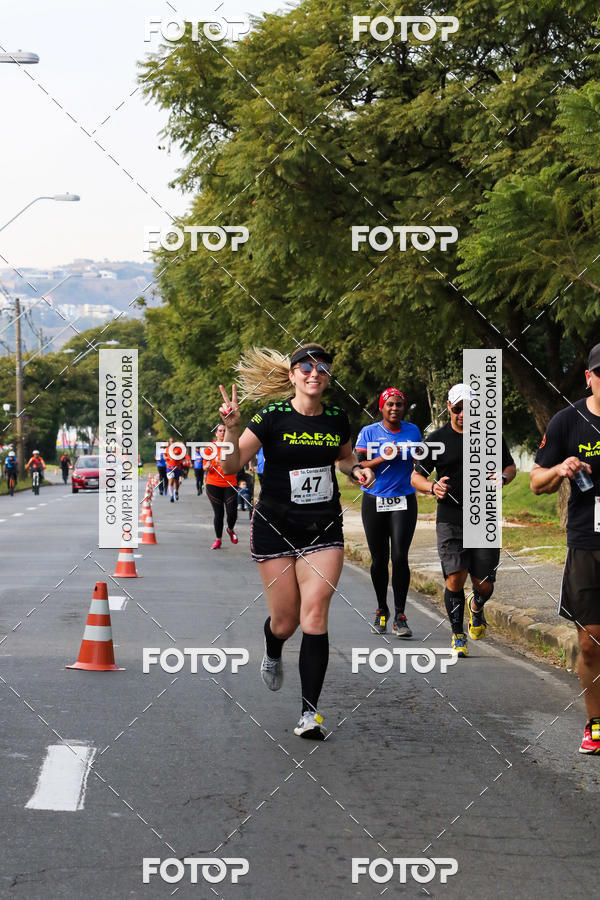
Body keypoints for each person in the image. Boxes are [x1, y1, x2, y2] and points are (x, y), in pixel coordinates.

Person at [218, 343, 374, 739]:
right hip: (274, 526)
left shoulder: (337, 417)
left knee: (315, 614)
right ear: (292, 376)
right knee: (286, 622)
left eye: (322, 368)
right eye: (305, 368)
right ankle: (273, 648)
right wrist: (233, 430)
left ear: (327, 377)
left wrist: (358, 471)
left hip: (322, 529)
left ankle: (309, 714)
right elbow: (231, 465)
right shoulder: (271, 417)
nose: (314, 373)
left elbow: (343, 457)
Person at [411, 383, 516, 658]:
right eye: (457, 409)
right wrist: (432, 487)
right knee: (455, 579)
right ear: (449, 407)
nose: (462, 414)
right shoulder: (435, 439)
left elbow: (510, 466)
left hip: (484, 519)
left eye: (468, 409)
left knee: (484, 585)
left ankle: (477, 608)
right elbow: (415, 477)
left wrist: (503, 478)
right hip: (450, 519)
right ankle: (458, 635)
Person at [530, 342, 600, 754]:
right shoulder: (566, 421)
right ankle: (595, 723)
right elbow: (537, 482)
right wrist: (560, 468)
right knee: (590, 641)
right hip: (588, 543)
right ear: (590, 376)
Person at [355, 388, 421, 638]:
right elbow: (359, 465)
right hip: (375, 500)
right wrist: (383, 457)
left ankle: (400, 616)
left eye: (399, 404)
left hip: (404, 499)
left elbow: (420, 461)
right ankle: (382, 610)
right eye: (390, 404)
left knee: (401, 556)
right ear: (381, 407)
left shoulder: (412, 431)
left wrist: (418, 460)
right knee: (379, 559)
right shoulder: (369, 432)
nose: (394, 408)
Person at [204, 423, 239, 548]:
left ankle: (230, 529)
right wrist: (207, 467)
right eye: (220, 430)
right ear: (216, 433)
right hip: (213, 484)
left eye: (225, 430)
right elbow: (205, 465)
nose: (223, 433)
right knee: (219, 513)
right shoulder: (210, 447)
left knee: (232, 512)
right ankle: (218, 539)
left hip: (230, 483)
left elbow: (238, 463)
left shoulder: (233, 446)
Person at [163, 437, 182, 502]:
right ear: (169, 442)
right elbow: (164, 455)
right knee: (170, 481)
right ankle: (171, 496)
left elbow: (182, 457)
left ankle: (176, 492)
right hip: (169, 467)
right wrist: (165, 457)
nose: (172, 442)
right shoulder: (167, 449)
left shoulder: (179, 449)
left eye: (173, 441)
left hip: (177, 467)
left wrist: (178, 456)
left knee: (176, 482)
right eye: (171, 441)